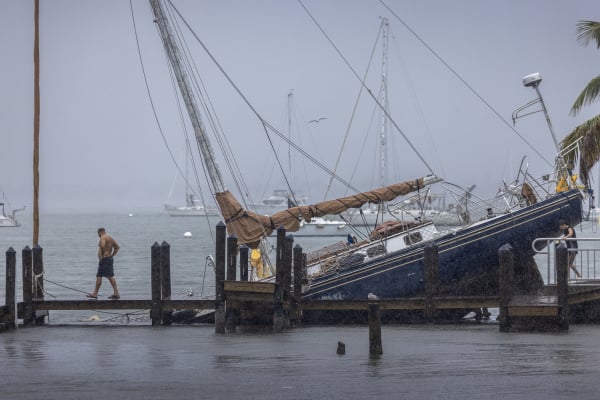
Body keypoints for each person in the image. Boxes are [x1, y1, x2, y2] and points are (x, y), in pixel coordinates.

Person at [87, 227, 121, 299]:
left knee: (105, 276)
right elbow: (117, 247)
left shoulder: (103, 238)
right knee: (104, 275)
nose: (98, 236)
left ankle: (115, 293)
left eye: (98, 234)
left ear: (100, 232)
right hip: (108, 259)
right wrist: (112, 255)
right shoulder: (110, 238)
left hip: (105, 260)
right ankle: (97, 293)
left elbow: (102, 245)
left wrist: (102, 255)